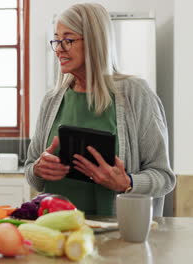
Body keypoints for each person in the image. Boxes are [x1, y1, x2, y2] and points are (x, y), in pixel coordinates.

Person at [25, 3, 175, 217]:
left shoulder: (135, 94)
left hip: (117, 235)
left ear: (94, 42)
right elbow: (32, 173)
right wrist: (38, 169)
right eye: (56, 40)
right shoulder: (52, 100)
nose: (59, 49)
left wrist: (127, 182)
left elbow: (164, 177)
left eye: (68, 40)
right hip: (59, 233)